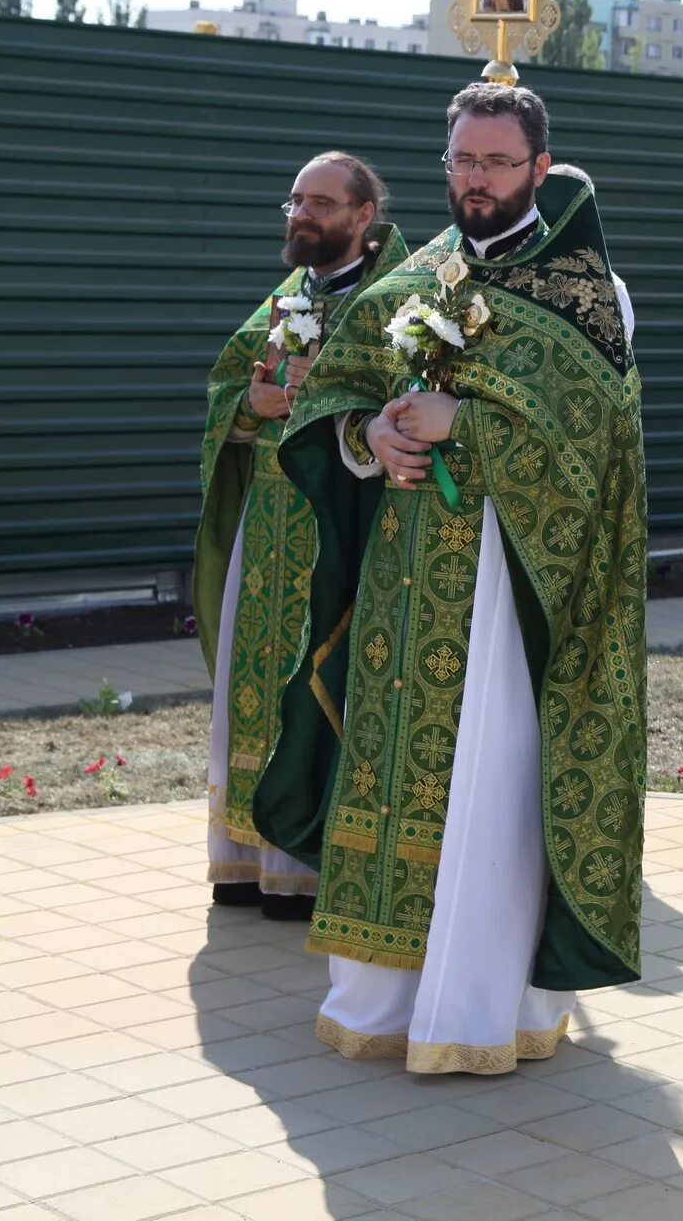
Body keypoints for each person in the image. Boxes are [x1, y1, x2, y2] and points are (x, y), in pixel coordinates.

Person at [265, 83, 646, 1075]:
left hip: (510, 586)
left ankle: (478, 1009)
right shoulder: (426, 276)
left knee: (488, 780)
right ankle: (384, 999)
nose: (476, 181)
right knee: (394, 777)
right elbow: (347, 392)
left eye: (496, 163)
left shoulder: (585, 290)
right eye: (463, 162)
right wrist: (370, 434)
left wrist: (463, 429)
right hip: (403, 581)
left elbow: (594, 447)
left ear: (538, 169)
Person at [196, 153, 407, 920]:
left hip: (339, 526)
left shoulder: (396, 305)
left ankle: (307, 863)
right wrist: (250, 405)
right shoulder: (289, 295)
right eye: (295, 201)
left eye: (321, 202)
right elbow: (230, 389)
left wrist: (317, 407)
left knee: (318, 676)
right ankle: (246, 856)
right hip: (268, 527)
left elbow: (403, 406)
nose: (302, 214)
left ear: (363, 215)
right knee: (251, 682)